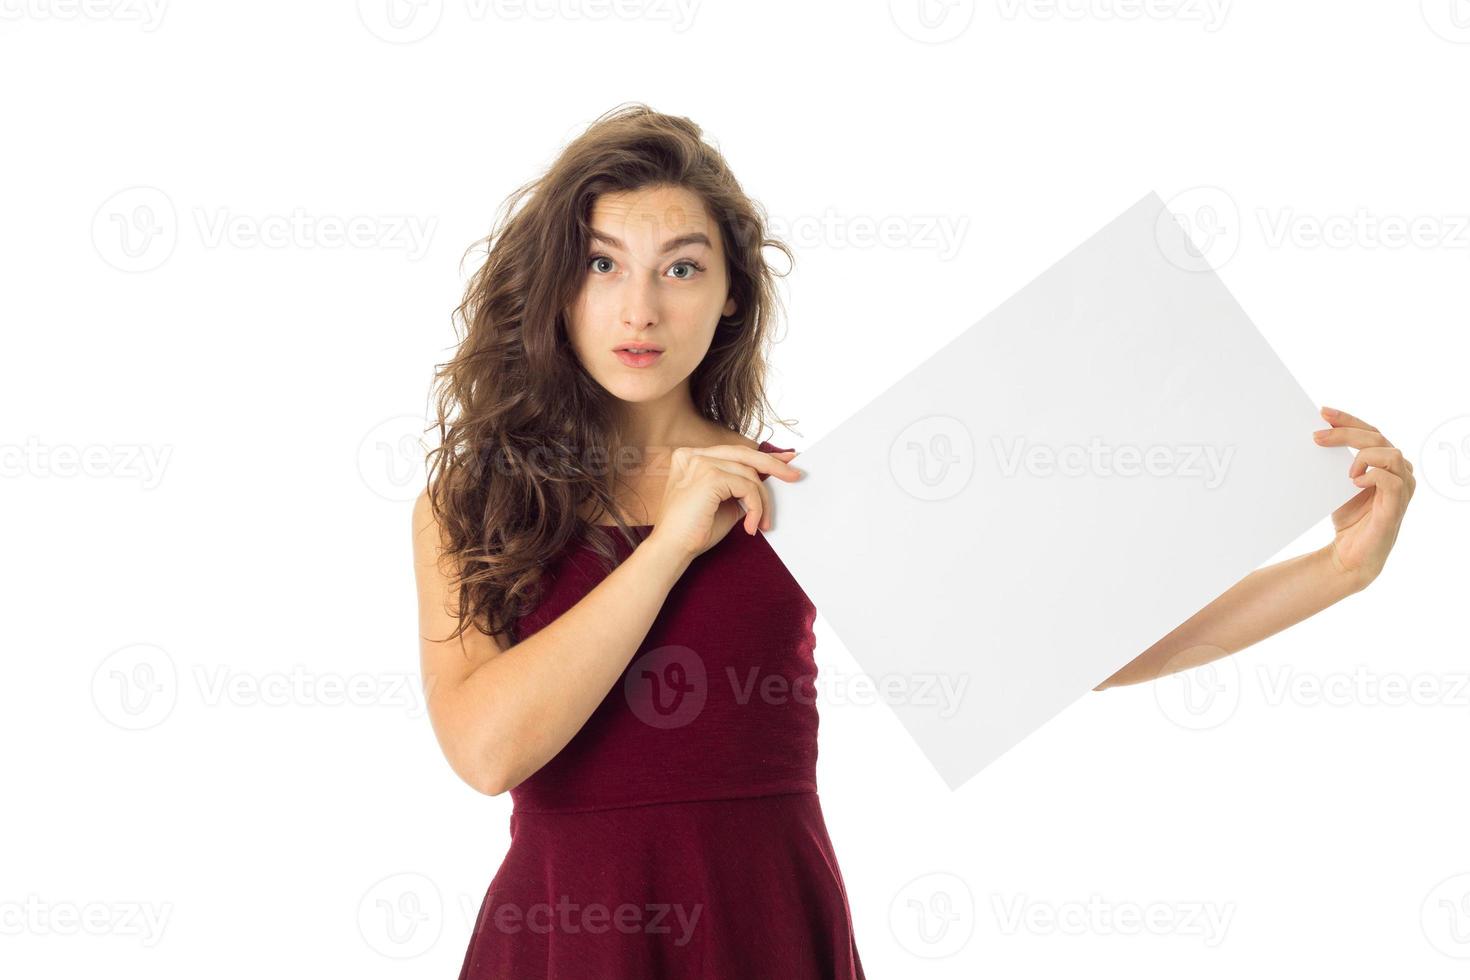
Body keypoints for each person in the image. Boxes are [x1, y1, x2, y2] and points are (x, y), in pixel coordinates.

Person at [412, 103, 866, 977]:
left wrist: (1216, 616)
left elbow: (1025, 654)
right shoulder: (467, 503)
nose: (641, 309)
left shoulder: (794, 494)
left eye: (682, 268)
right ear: (557, 284)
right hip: (564, 937)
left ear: (731, 293)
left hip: (764, 929)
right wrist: (667, 549)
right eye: (602, 264)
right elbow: (485, 751)